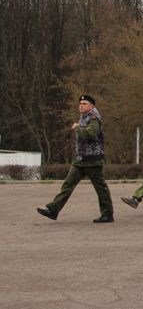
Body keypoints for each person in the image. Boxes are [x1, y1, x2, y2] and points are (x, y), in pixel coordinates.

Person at [38, 94, 114, 223]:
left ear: (91, 106)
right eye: (80, 104)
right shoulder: (84, 117)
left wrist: (78, 127)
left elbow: (91, 133)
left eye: (84, 104)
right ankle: (53, 210)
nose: (81, 106)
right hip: (80, 159)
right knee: (67, 185)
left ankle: (107, 214)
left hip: (92, 160)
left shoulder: (94, 118)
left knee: (100, 188)